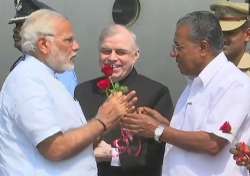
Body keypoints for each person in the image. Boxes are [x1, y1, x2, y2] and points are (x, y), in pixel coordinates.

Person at [0, 9, 137, 176]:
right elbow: (55, 148)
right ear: (44, 45)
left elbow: (70, 138)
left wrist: (105, 125)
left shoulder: (47, 78)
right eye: (68, 40)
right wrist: (102, 121)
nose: (76, 46)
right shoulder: (27, 80)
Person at [122, 11, 250, 176]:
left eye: (179, 47)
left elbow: (213, 143)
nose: (173, 54)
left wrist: (157, 130)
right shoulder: (194, 83)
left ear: (203, 47)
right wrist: (165, 125)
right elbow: (192, 134)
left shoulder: (234, 83)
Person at [74, 24, 173, 176]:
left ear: (136, 55)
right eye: (106, 51)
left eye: (121, 52)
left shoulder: (156, 92)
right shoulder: (83, 91)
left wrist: (112, 155)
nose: (112, 57)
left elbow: (157, 152)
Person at [9, 0, 78, 95]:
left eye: (22, 25)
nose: (15, 30)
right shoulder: (20, 63)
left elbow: (63, 106)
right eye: (16, 25)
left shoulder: (59, 68)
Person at [210, 0, 250, 77]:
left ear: (247, 35)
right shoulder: (206, 70)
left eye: (230, 32)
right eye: (219, 32)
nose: (222, 38)